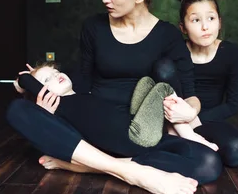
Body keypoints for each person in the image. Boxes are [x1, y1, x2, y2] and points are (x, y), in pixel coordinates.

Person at [6, 0, 222, 194]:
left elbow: (189, 92)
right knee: (18, 110)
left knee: (210, 164)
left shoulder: (166, 35)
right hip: (91, 127)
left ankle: (88, 166)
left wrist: (183, 115)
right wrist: (40, 89)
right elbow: (82, 80)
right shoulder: (93, 27)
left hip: (141, 128)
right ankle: (130, 172)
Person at [17, 62, 217, 150]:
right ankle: (190, 135)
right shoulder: (60, 106)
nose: (55, 76)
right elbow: (26, 81)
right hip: (136, 137)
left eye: (54, 72)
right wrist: (23, 80)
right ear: (41, 92)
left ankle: (172, 130)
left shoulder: (80, 95)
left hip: (133, 124)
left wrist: (43, 75)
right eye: (47, 80)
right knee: (163, 88)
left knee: (147, 82)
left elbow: (71, 69)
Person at [172, 0, 238, 167]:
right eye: (196, 20)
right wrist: (181, 120)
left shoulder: (232, 53)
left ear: (219, 22)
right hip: (175, 121)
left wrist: (196, 120)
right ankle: (183, 143)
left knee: (237, 151)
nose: (205, 27)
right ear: (183, 27)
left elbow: (233, 104)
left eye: (211, 18)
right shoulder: (175, 52)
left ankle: (193, 145)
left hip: (208, 119)